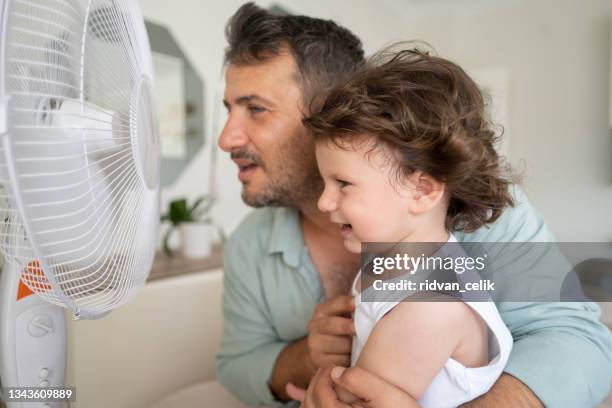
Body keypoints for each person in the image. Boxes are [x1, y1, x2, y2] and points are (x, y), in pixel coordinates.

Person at [215, 3, 612, 407]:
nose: (226, 138)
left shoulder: (486, 206)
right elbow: (236, 364)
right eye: (228, 110)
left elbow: (581, 342)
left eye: (256, 109)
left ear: (330, 108)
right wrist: (305, 358)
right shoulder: (247, 245)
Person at [301, 46, 515, 407]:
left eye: (344, 184)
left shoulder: (428, 307)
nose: (324, 202)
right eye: (325, 183)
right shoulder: (397, 263)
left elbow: (354, 399)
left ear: (422, 191)